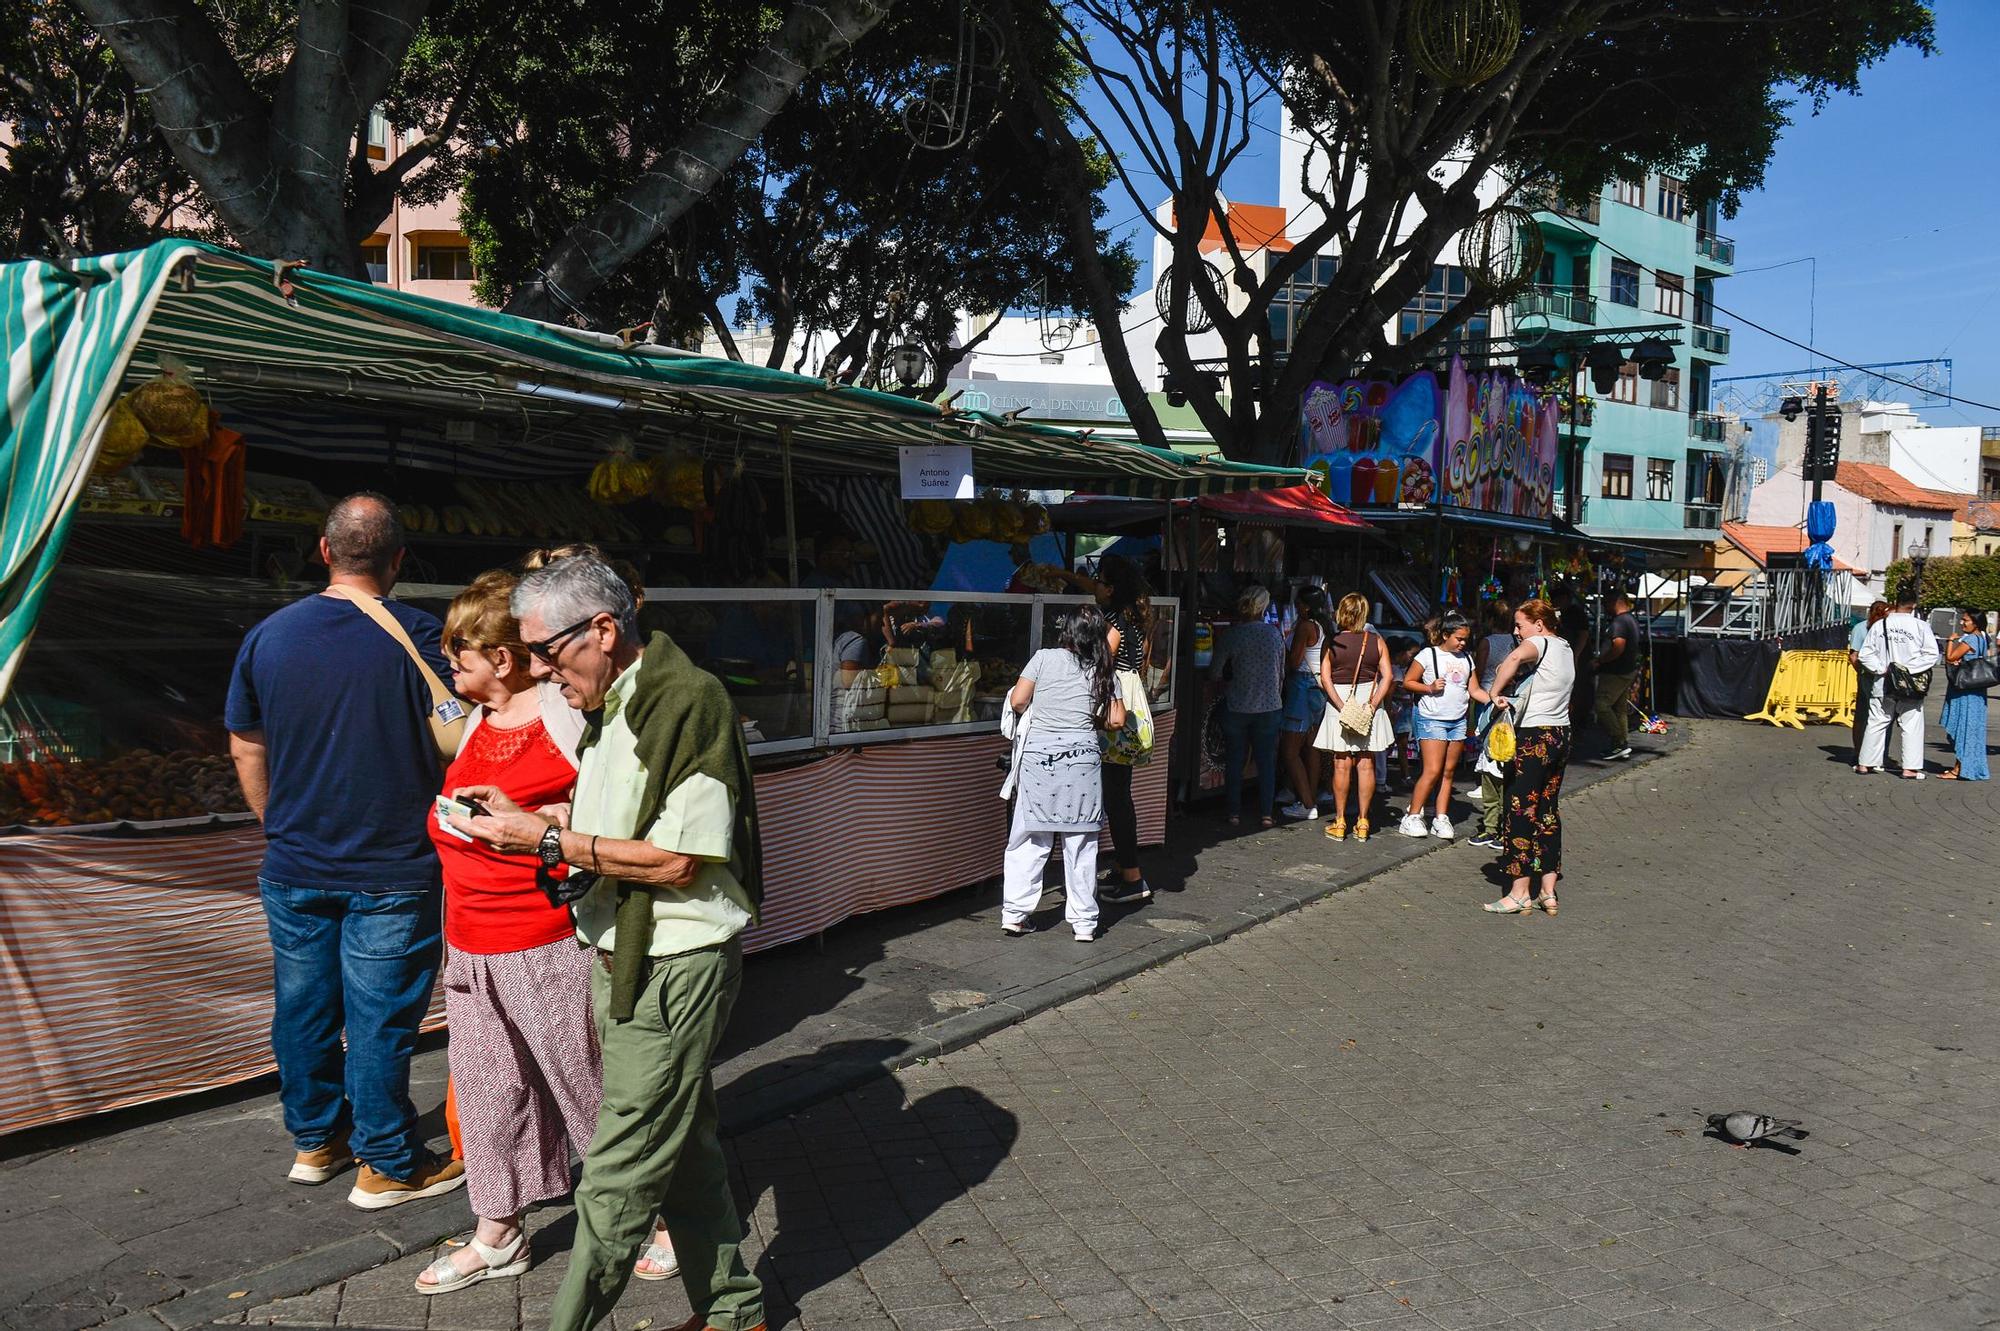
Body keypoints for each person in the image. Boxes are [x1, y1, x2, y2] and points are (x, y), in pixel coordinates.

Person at [449, 554, 765, 1331]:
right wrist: (543, 827)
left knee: (618, 1169)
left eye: (547, 655)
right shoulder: (612, 701)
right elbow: (625, 831)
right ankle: (733, 1311)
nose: (542, 674)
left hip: (672, 960)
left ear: (602, 629)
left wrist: (552, 838)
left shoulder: (686, 699)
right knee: (682, 1143)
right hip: (623, 954)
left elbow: (678, 859)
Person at [415, 573, 681, 1294]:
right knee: (487, 1087)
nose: (449, 664)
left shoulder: (561, 712)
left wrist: (553, 823)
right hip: (470, 941)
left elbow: (607, 807)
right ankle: (498, 1229)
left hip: (544, 936)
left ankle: (655, 1215)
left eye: (459, 652)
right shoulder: (475, 721)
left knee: (586, 1080)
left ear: (502, 658)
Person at [225, 492, 466, 1207]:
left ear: (323, 551)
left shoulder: (268, 636)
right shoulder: (424, 636)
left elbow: (245, 742)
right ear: (398, 561)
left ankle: (315, 1141)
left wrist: (275, 820)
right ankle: (388, 1161)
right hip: (393, 862)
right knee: (379, 1021)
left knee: (303, 1008)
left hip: (295, 861)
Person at [1000, 607, 1125, 939]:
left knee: (1030, 836)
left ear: (1067, 631)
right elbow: (1116, 720)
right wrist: (1090, 720)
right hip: (1082, 760)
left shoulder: (1043, 658)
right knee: (1081, 842)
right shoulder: (1103, 668)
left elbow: (1018, 700)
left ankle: (1014, 914)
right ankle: (1084, 923)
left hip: (1039, 757)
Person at [1480, 599, 1577, 916]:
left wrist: (1495, 693)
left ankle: (1519, 891)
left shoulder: (1539, 642)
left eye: (1520, 624)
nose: (1516, 631)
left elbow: (1513, 657)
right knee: (1548, 809)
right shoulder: (1564, 647)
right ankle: (1548, 891)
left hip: (1534, 737)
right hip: (1560, 733)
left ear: (1539, 623)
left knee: (1520, 808)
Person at [1067, 555, 1154, 904]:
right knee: (1120, 794)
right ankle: (1123, 868)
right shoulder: (1133, 617)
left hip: (1115, 714)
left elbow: (1102, 667)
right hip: (1132, 707)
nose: (1095, 587)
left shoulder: (1114, 623)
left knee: (1116, 798)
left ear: (1112, 587)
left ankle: (1133, 877)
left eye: (1100, 581)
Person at [1314, 592, 1395, 842]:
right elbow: (1388, 677)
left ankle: (1339, 822)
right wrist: (1371, 705)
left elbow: (1325, 677)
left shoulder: (1332, 641)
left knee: (1341, 763)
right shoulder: (1377, 641)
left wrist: (1340, 706)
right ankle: (1363, 821)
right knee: (1366, 762)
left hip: (1340, 702)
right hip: (1367, 701)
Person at [1208, 586, 1285, 828]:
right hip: (1269, 706)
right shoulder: (1274, 635)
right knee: (1266, 762)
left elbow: (1214, 672)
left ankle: (1233, 813)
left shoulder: (1234, 635)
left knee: (1234, 760)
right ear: (1263, 608)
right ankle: (1266, 814)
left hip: (1238, 704)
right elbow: (1281, 673)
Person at [1399, 612, 1474, 840]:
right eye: (1458, 638)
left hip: (1457, 720)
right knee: (1432, 770)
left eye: (1465, 639)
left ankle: (1441, 817)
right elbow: (1408, 682)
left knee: (1449, 771)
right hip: (1432, 718)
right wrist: (1430, 688)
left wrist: (1494, 698)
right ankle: (1412, 816)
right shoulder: (1427, 654)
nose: (1462, 643)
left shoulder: (1467, 659)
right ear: (1445, 635)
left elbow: (1474, 689)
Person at [1856, 584, 1941, 779]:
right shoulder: (1920, 626)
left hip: (1883, 681)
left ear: (1896, 603)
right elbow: (1931, 654)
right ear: (1913, 605)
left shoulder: (1880, 625)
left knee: (1877, 721)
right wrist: (1909, 670)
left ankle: (1865, 763)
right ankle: (1909, 768)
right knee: (1911, 724)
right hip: (1910, 684)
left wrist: (1882, 668)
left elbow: (1866, 654)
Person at [1277, 586, 1332, 820]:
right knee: (1311, 749)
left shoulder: (1305, 626)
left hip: (1301, 686)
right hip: (1317, 689)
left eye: (1298, 603)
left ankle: (1307, 803)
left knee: (1289, 751)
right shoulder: (1322, 627)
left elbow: (1295, 660)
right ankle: (1309, 796)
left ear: (1306, 606)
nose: (1296, 606)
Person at [1468, 601, 1514, 851]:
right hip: (1508, 700)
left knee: (1491, 755)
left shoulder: (1487, 642)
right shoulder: (1515, 643)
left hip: (1489, 698)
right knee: (1502, 758)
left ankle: (1492, 826)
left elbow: (1480, 669)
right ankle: (1500, 825)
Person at [1939, 607, 1990, 781]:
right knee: (1971, 729)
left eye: (1966, 620)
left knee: (1964, 727)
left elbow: (1951, 658)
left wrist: (1951, 642)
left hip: (1965, 690)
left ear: (1975, 623)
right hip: (1977, 689)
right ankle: (1967, 766)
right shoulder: (1983, 638)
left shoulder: (1971, 639)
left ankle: (1959, 768)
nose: (1962, 623)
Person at [1592, 590, 1641, 760]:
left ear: (1615, 602)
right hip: (1626, 670)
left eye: (1606, 602)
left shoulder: (1620, 622)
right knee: (1619, 708)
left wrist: (1601, 660)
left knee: (1601, 704)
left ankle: (1619, 741)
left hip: (1616, 671)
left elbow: (1618, 646)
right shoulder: (1631, 619)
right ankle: (1620, 744)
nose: (1604, 606)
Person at [1847, 600, 1888, 761]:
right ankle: (1859, 751)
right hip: (1867, 675)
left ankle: (1874, 752)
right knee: (1865, 713)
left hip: (1877, 674)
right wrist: (1861, 671)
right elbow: (1853, 655)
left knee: (1875, 714)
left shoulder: (1884, 628)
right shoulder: (1861, 628)